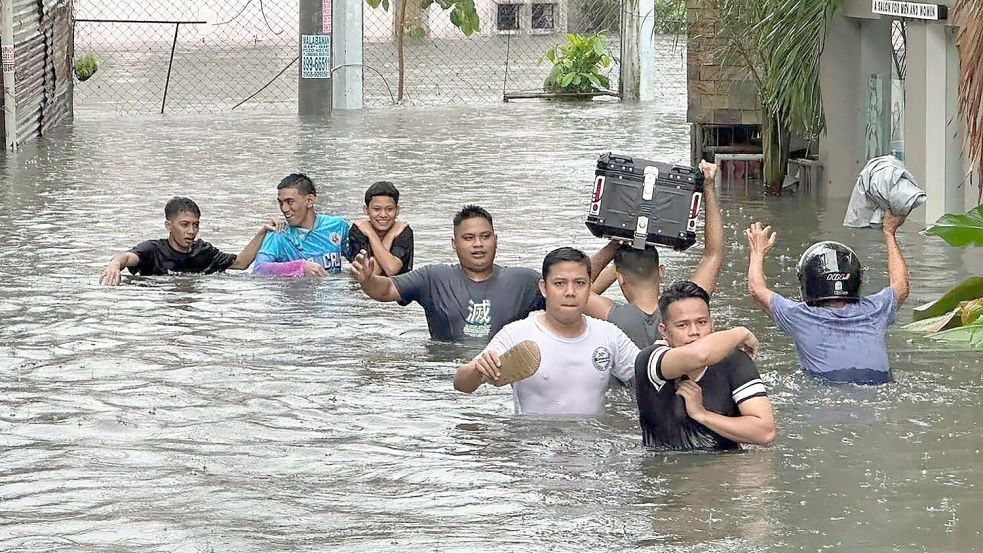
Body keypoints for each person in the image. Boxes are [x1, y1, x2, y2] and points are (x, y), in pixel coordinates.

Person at [454, 247, 639, 416]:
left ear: (590, 286)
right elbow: (462, 385)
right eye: (559, 283)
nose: (570, 292)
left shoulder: (608, 335)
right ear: (544, 288)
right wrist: (476, 370)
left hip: (592, 446)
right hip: (533, 446)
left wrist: (660, 354)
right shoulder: (517, 333)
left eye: (579, 283)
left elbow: (648, 373)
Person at [745, 214, 909, 384]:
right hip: (880, 386)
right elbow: (901, 285)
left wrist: (758, 253)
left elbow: (756, 290)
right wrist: (889, 233)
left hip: (829, 389)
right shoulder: (876, 310)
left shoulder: (799, 316)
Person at [351, 205, 544, 341]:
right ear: (454, 243)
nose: (478, 244)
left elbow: (567, 308)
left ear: (495, 240)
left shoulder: (524, 281)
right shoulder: (433, 278)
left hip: (501, 378)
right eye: (469, 238)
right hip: (445, 380)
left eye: (485, 237)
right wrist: (368, 280)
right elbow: (386, 290)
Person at [587, 160, 724, 348]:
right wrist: (708, 186)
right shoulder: (684, 311)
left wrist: (613, 247)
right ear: (661, 271)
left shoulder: (614, 317)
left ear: (619, 278)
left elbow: (576, 288)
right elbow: (713, 255)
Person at [634, 281, 776, 450]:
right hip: (667, 469)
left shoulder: (735, 362)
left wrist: (702, 414)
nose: (694, 331)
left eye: (702, 322)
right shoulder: (651, 359)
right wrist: (740, 332)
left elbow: (766, 433)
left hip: (726, 468)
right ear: (664, 331)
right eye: (682, 325)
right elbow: (700, 355)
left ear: (712, 324)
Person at [100, 196, 277, 285]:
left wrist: (263, 232)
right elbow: (125, 258)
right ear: (169, 226)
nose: (191, 231)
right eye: (184, 225)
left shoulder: (204, 251)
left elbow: (241, 263)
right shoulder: (153, 250)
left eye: (196, 225)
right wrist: (114, 265)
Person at [254, 173, 351, 277]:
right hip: (297, 292)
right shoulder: (278, 233)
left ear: (309, 201)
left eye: (289, 202)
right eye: (281, 203)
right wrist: (300, 267)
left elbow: (359, 260)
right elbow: (259, 269)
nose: (284, 209)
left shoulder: (338, 226)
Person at [345, 181, 413, 276]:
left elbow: (392, 269)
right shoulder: (359, 230)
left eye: (389, 209)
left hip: (398, 288)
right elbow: (369, 275)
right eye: (376, 209)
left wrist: (374, 235)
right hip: (363, 289)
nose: (383, 215)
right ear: (366, 210)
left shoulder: (402, 230)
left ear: (397, 210)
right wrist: (373, 234)